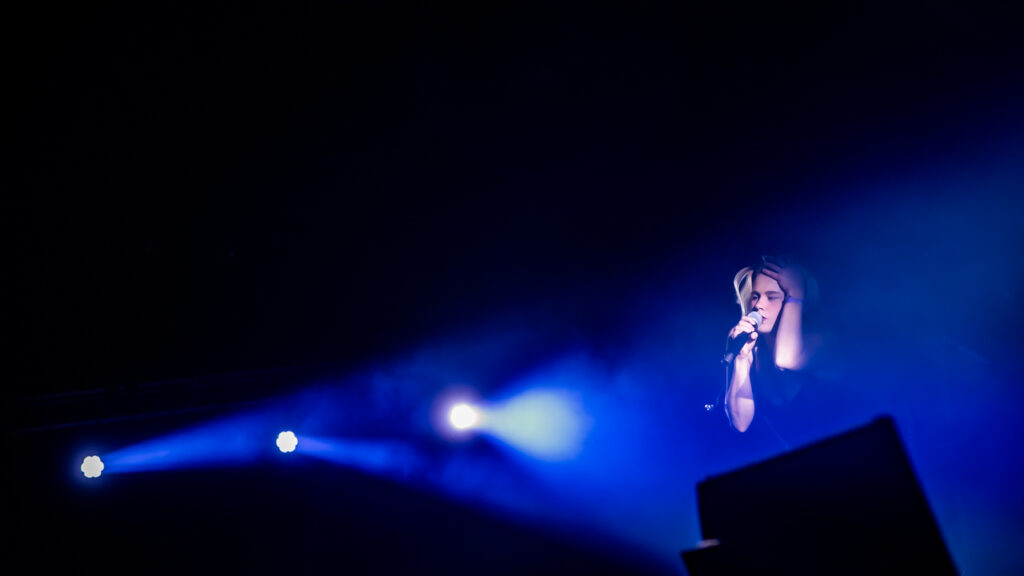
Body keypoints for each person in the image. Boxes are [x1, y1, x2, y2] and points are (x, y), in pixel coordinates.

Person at [721, 255, 813, 439]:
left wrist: (796, 291)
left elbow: (785, 359)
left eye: (771, 297)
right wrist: (741, 359)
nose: (758, 305)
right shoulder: (751, 349)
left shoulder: (819, 340)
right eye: (755, 297)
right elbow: (740, 423)